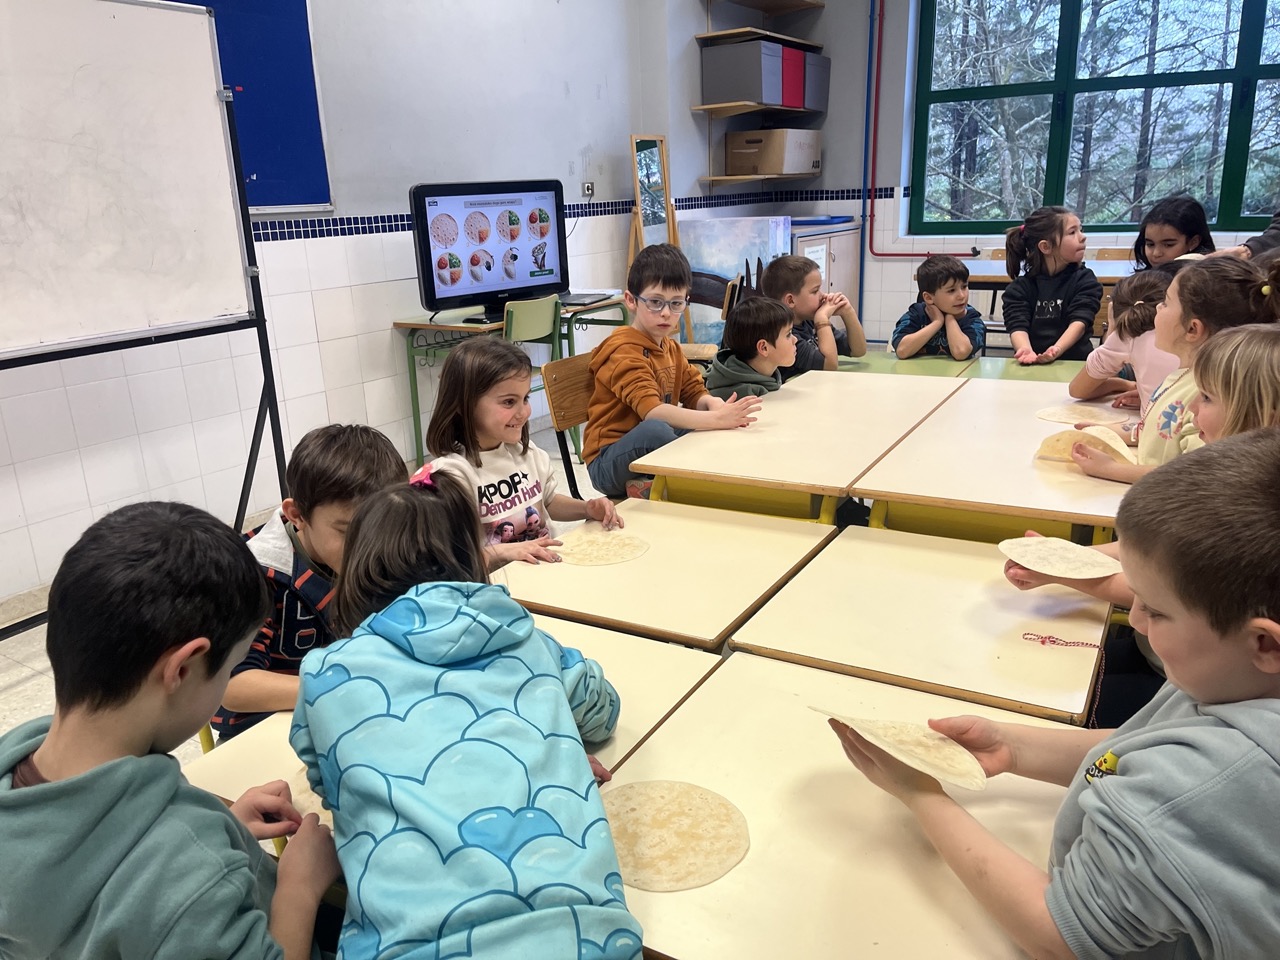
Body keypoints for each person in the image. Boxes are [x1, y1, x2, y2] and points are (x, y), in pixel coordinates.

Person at [831, 428, 1280, 960]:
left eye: (1157, 611)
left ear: (1264, 643)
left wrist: (921, 795)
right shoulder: (1239, 683)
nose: (1135, 618)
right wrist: (1013, 747)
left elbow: (1062, 937)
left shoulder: (1212, 779)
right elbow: (1146, 747)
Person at [290, 466, 643, 960]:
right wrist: (548, 738)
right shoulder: (526, 640)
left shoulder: (325, 672)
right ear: (474, 560)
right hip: (585, 936)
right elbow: (604, 713)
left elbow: (331, 784)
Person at [0, 501, 341, 960]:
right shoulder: (191, 873)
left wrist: (226, 825)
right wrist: (300, 887)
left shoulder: (20, 760)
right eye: (231, 668)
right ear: (182, 669)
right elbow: (173, 890)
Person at [211, 424, 406, 740]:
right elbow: (233, 686)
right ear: (298, 515)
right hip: (263, 728)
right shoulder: (252, 575)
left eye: (382, 528)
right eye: (348, 532)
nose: (369, 547)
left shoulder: (378, 549)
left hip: (346, 710)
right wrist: (341, 687)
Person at [1071, 257, 1280, 483]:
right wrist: (1109, 432)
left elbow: (1190, 473)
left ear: (1192, 329)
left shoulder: (1210, 393)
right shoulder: (1181, 373)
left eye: (1166, 302)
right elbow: (1163, 430)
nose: (1157, 307)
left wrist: (1110, 469)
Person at [583, 243, 762, 499]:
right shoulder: (622, 350)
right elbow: (653, 411)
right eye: (655, 302)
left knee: (693, 428)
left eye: (676, 303)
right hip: (608, 462)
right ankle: (684, 485)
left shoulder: (670, 347)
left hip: (650, 449)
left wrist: (713, 405)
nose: (666, 313)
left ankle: (662, 484)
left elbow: (694, 392)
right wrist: (716, 419)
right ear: (631, 300)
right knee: (657, 429)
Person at [427, 336, 621, 567]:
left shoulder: (525, 453)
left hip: (546, 571)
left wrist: (587, 508)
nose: (524, 412)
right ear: (463, 404)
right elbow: (449, 559)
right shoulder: (450, 476)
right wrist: (507, 551)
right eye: (509, 402)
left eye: (525, 398)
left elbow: (547, 501)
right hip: (501, 583)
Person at [1067, 270, 1178, 416]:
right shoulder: (1192, 332)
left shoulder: (1127, 335)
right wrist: (1147, 394)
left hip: (1157, 428)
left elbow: (1078, 390)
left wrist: (1122, 385)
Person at [1002, 206, 1103, 365]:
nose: (1083, 237)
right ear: (1046, 247)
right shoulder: (1020, 288)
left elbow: (1080, 321)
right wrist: (1025, 350)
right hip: (1032, 365)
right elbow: (1017, 325)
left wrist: (1056, 350)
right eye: (1072, 232)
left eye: (1081, 230)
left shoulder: (1085, 279)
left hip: (1075, 364)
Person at [760, 254, 867, 380]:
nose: (822, 295)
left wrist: (847, 311)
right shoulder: (785, 335)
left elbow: (858, 350)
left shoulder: (809, 321)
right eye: (815, 291)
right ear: (790, 301)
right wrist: (822, 320)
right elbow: (830, 366)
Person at [891, 254, 986, 360]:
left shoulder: (972, 318)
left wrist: (949, 318)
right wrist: (937, 322)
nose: (962, 296)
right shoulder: (916, 314)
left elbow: (961, 352)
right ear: (928, 297)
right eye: (951, 290)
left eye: (964, 287)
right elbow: (902, 351)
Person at [705, 297, 797, 399]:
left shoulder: (762, 378)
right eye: (788, 334)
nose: (795, 339)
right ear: (764, 348)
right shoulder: (743, 397)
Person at [1131, 195, 1215, 269]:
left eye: (1168, 245)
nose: (1156, 253)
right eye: (1150, 244)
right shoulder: (1143, 278)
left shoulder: (1207, 279)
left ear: (1193, 242)